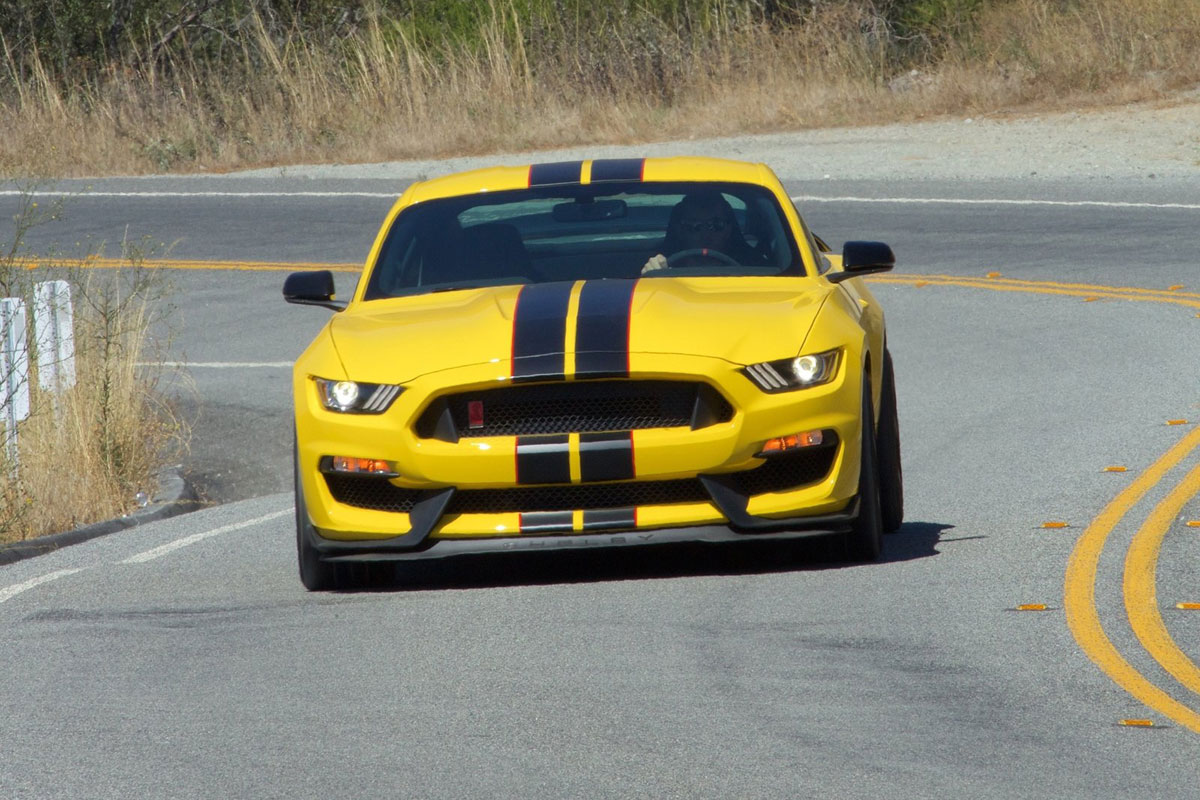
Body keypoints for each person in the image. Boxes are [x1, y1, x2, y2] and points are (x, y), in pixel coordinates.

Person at [642, 190, 766, 274]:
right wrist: (651, 276)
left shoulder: (755, 269)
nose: (706, 234)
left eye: (716, 225)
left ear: (729, 229)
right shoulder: (661, 267)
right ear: (680, 231)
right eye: (694, 226)